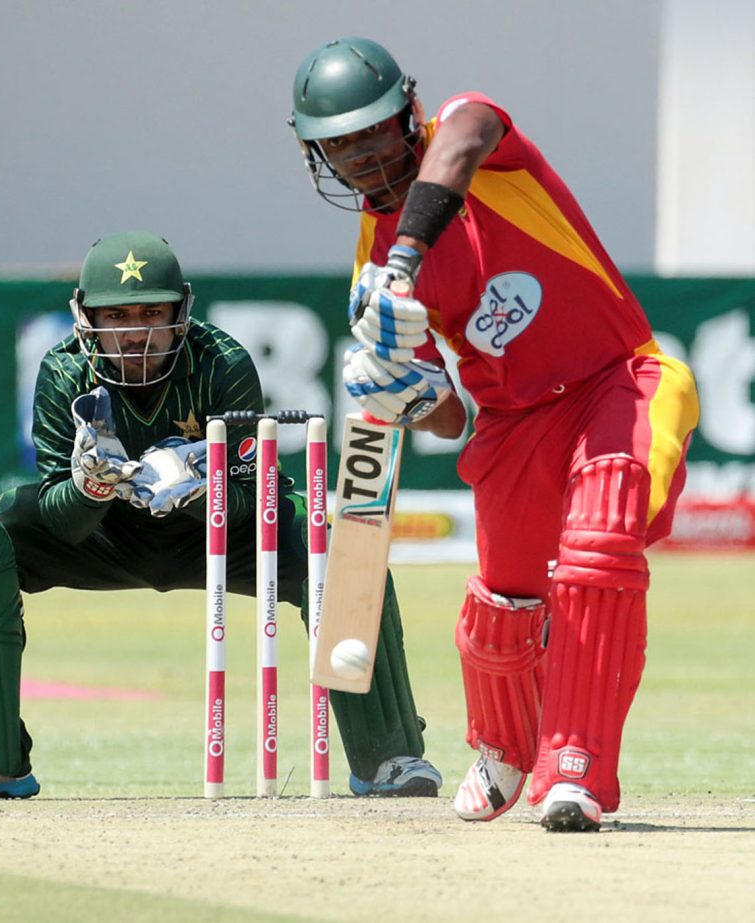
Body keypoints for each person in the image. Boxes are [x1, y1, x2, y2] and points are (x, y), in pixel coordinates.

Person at [289, 38, 700, 831]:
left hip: (617, 379)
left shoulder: (471, 134)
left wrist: (404, 262)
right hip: (512, 425)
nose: (360, 155)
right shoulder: (367, 266)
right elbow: (448, 418)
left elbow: (465, 140)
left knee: (599, 545)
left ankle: (573, 766)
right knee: (504, 601)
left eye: (372, 131)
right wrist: (407, 391)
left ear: (408, 115)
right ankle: (503, 746)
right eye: (338, 143)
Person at [0, 230, 442, 800]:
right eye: (116, 315)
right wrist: (93, 486)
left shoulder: (221, 363)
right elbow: (60, 520)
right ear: (85, 316)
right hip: (102, 534)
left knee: (343, 554)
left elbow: (255, 502)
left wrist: (201, 488)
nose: (136, 331)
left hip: (217, 535)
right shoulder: (64, 371)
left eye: (152, 312)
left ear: (181, 313)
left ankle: (388, 755)